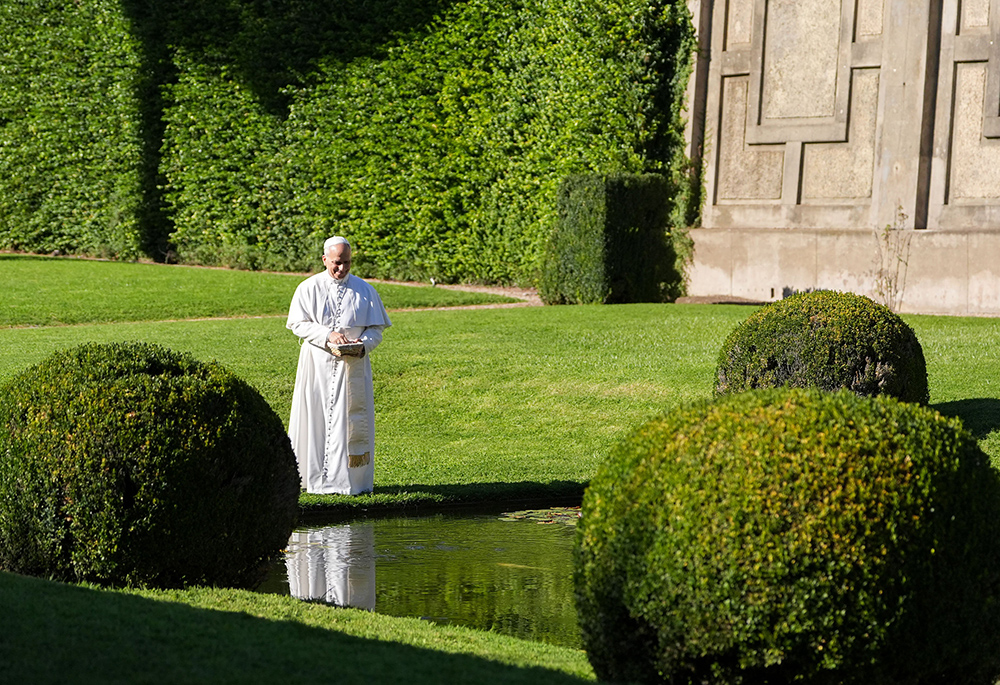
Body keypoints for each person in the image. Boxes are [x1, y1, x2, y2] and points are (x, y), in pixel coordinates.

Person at [286, 237, 391, 494]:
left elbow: (376, 329)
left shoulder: (365, 290)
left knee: (349, 423)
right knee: (317, 421)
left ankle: (351, 483)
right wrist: (327, 334)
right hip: (317, 367)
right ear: (324, 260)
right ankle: (314, 481)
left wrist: (362, 344)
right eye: (336, 263)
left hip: (352, 369)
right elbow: (298, 324)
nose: (342, 269)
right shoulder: (308, 288)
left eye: (347, 263)